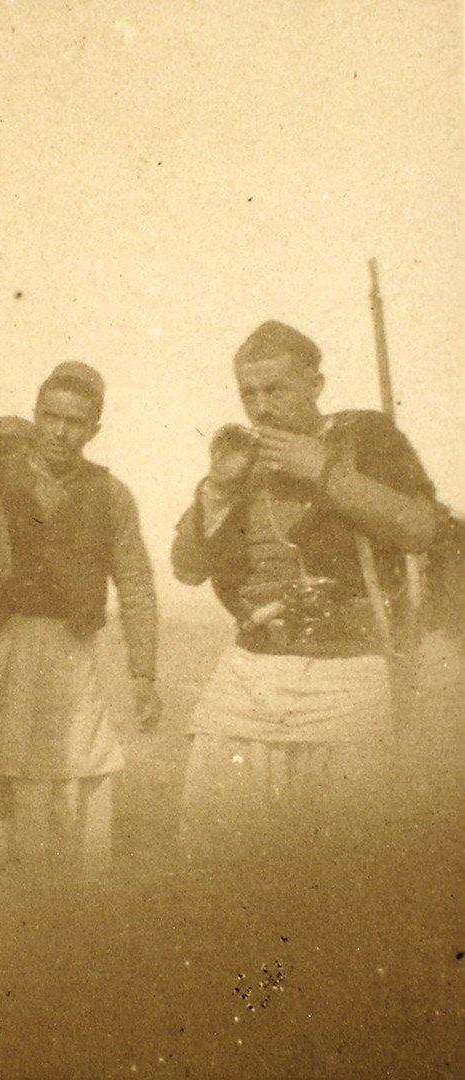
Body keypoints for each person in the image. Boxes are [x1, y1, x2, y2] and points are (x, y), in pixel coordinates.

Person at [171, 321, 438, 867]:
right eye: (249, 393)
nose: (261, 407)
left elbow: (419, 528)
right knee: (216, 857)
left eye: (276, 389)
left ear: (315, 385)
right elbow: (187, 569)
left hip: (346, 677)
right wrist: (217, 488)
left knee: (343, 865)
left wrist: (324, 471)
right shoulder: (242, 458)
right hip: (249, 675)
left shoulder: (364, 437)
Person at [0, 362, 160, 895]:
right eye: (50, 416)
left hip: (72, 656)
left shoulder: (110, 494)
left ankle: (62, 913)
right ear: (36, 415)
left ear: (94, 429)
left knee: (71, 783)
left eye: (75, 421)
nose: (60, 432)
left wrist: (143, 673)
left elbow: (135, 582)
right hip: (4, 649)